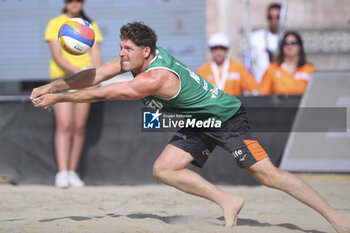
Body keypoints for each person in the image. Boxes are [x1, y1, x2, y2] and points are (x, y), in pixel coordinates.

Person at [31, 22, 349, 232]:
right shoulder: (136, 59)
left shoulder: (155, 76)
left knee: (268, 175)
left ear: (146, 52)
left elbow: (105, 93)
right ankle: (228, 201)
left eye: (127, 49)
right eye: (121, 47)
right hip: (197, 120)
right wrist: (51, 86)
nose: (121, 54)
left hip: (227, 118)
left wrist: (59, 99)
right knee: (165, 169)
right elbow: (93, 76)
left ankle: (336, 218)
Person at [44, 0, 103, 188]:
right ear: (65, 2)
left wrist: (97, 75)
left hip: (85, 82)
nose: (75, 3)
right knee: (64, 125)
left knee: (78, 127)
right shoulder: (55, 23)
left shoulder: (90, 24)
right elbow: (57, 57)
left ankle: (72, 172)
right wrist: (80, 72)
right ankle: (62, 173)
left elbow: (97, 55)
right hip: (63, 81)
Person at [259, 31, 315, 95]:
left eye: (293, 43)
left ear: (300, 47)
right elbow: (262, 95)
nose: (289, 46)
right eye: (286, 43)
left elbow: (316, 93)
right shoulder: (272, 69)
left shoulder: (310, 70)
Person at [249, 3, 281, 83]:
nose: (274, 20)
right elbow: (248, 64)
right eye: (271, 17)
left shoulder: (287, 39)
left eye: (278, 17)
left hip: (281, 86)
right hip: (261, 87)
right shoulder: (256, 37)